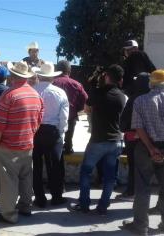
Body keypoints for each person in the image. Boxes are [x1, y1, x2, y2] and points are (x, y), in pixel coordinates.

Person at [68, 64, 126, 215]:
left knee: (86, 172)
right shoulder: (122, 96)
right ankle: (103, 206)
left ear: (106, 76)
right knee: (109, 176)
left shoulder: (97, 93)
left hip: (98, 140)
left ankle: (84, 204)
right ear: (120, 79)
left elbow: (86, 109)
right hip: (115, 141)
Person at [0, 61, 43, 224]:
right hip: (27, 144)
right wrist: (30, 134)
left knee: (8, 181)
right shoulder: (36, 95)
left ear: (12, 76)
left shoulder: (8, 95)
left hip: (9, 145)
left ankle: (8, 214)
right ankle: (26, 207)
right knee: (26, 177)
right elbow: (39, 120)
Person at [121, 70, 164, 236]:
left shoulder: (140, 100)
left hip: (145, 148)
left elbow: (138, 126)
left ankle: (140, 227)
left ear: (151, 83)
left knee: (143, 188)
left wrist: (152, 148)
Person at [32, 62, 69, 208]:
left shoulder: (32, 91)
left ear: (39, 76)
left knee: (36, 166)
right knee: (55, 166)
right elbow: (64, 118)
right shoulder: (60, 93)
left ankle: (39, 198)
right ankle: (56, 196)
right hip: (53, 132)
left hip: (36, 131)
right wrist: (60, 133)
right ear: (52, 78)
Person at [115, 73, 150, 201]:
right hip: (151, 140)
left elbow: (123, 122)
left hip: (133, 138)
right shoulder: (154, 98)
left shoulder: (134, 99)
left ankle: (131, 192)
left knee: (133, 166)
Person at [53, 60, 88, 154]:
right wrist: (78, 109)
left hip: (53, 117)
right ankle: (68, 147)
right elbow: (86, 100)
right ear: (69, 71)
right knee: (69, 134)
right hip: (71, 115)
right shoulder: (77, 84)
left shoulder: (52, 83)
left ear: (57, 70)